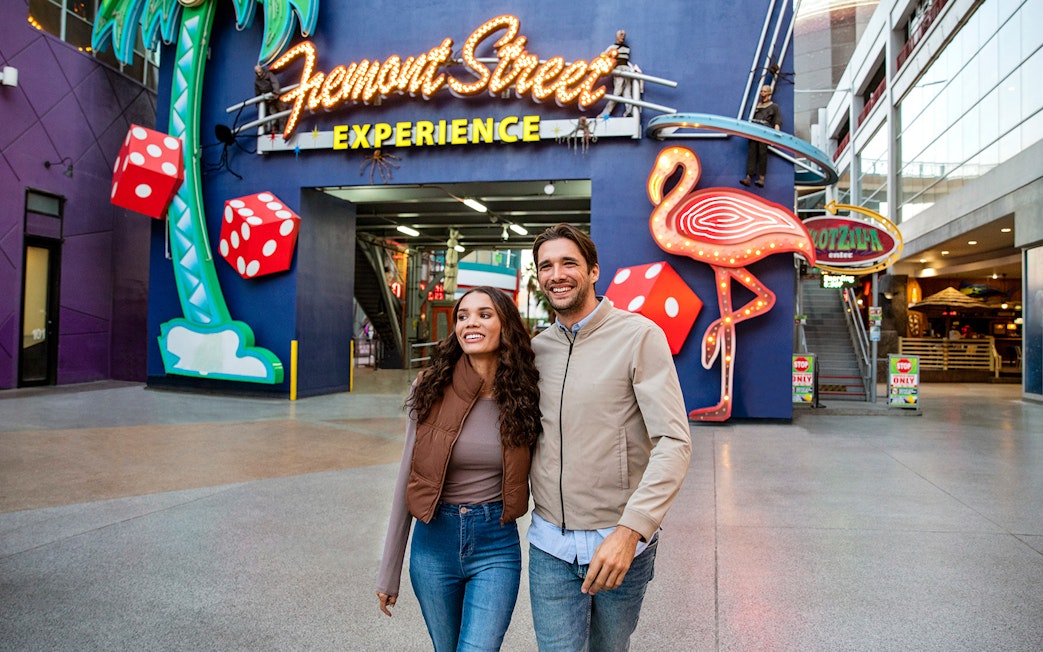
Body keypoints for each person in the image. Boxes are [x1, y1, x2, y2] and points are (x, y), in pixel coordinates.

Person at [528, 224, 693, 651]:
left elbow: (674, 442)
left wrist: (632, 530)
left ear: (594, 270)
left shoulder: (638, 336)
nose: (556, 274)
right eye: (546, 266)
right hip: (549, 543)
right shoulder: (536, 350)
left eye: (569, 263)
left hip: (619, 544)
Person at [376, 286, 541, 651]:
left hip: (495, 544)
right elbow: (407, 475)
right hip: (433, 543)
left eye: (484, 314)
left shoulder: (526, 392)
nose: (471, 323)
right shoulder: (430, 386)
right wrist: (390, 572)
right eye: (463, 316)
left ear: (506, 325)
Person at [741, 84, 782, 187]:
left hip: (764, 132)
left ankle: (761, 178)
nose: (762, 94)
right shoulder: (756, 105)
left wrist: (776, 136)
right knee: (752, 153)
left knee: (762, 154)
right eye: (761, 91)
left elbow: (777, 121)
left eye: (764, 91)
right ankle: (748, 177)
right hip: (754, 131)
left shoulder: (774, 107)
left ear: (769, 93)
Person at [599, 29, 639, 118]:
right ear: (617, 36)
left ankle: (629, 111)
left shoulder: (626, 48)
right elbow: (604, 55)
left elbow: (625, 60)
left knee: (627, 92)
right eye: (621, 34)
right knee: (617, 92)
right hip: (619, 70)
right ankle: (606, 113)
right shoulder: (612, 47)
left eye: (623, 35)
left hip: (626, 70)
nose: (622, 36)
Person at [253, 64, 286, 134]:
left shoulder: (269, 74)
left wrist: (276, 92)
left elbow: (275, 83)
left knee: (282, 111)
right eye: (257, 73)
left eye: (260, 72)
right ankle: (274, 130)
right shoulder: (257, 81)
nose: (259, 74)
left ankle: (282, 130)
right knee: (272, 114)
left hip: (275, 96)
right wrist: (257, 101)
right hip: (268, 100)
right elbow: (257, 91)